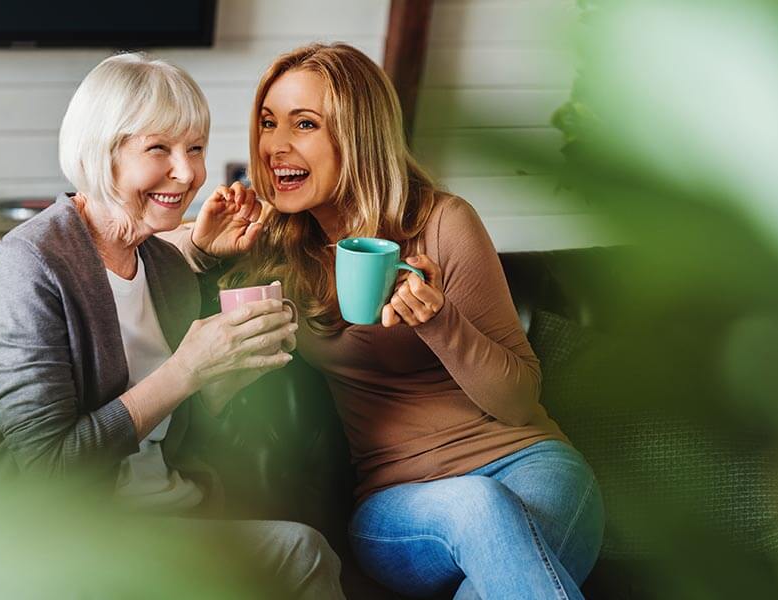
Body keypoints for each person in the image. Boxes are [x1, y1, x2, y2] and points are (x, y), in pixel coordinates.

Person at [218, 42, 605, 599]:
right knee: (477, 503)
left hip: (532, 469)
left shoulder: (443, 222)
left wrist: (440, 321)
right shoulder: (274, 248)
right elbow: (158, 258)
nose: (276, 145)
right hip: (398, 506)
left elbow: (518, 401)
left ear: (359, 136)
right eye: (268, 122)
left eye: (304, 124)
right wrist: (206, 251)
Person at [0, 52, 345, 600]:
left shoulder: (163, 266)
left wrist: (227, 373)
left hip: (166, 514)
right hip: (46, 539)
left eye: (196, 148)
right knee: (302, 555)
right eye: (158, 148)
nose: (187, 174)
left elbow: (173, 428)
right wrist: (187, 370)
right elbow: (48, 467)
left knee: (303, 549)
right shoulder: (28, 266)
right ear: (101, 153)